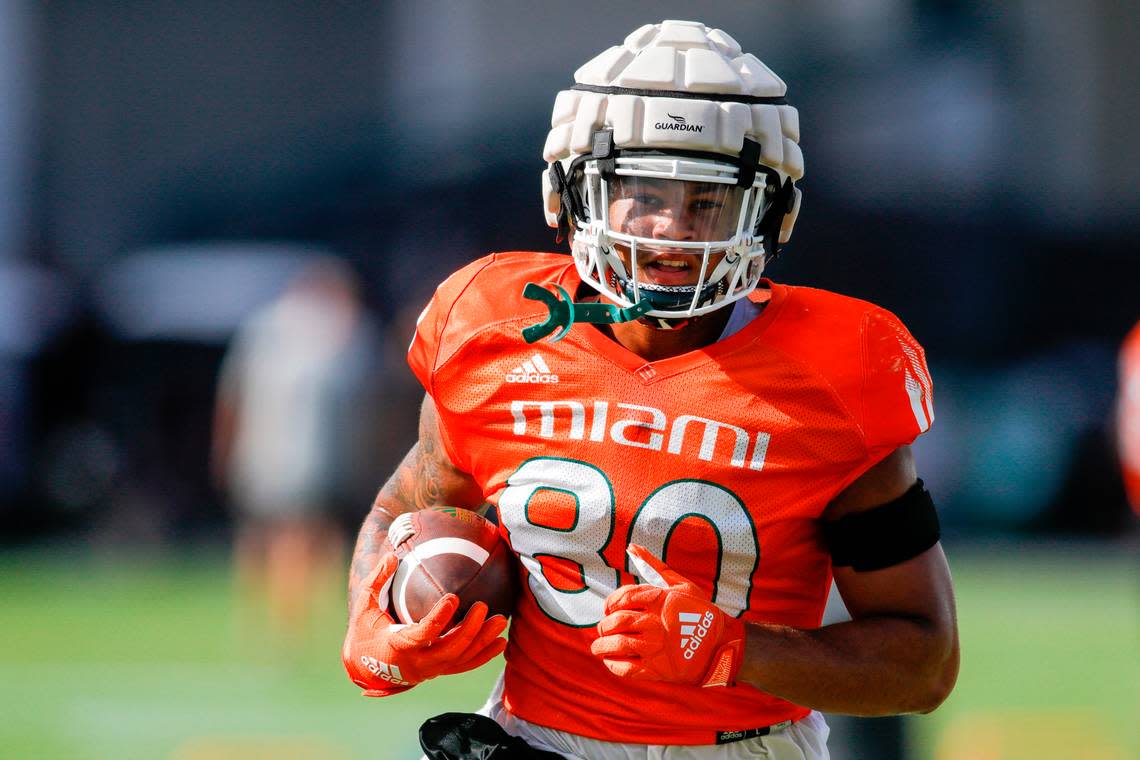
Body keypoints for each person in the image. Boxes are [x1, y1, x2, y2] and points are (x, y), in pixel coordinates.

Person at [343, 20, 959, 759]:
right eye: (640, 196)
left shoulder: (838, 370)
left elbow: (922, 664)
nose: (671, 231)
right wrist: (372, 621)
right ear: (571, 196)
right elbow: (408, 506)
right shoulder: (492, 329)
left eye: (708, 202)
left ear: (767, 212)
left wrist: (733, 647)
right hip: (532, 739)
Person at [214, 257, 382, 645]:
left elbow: (231, 398)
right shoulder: (338, 332)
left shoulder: (261, 328)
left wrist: (224, 449)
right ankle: (287, 624)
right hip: (305, 456)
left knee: (262, 533)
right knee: (299, 535)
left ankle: (256, 618)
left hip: (258, 451)